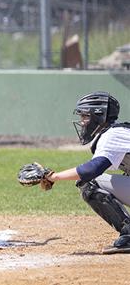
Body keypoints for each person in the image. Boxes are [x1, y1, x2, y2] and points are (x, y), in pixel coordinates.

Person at [37, 92, 129, 254]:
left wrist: (54, 177)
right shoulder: (120, 132)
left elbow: (92, 170)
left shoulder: (112, 135)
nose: (82, 122)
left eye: (86, 116)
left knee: (90, 182)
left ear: (99, 116)